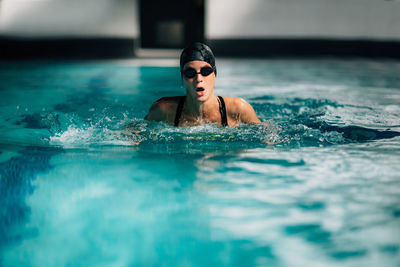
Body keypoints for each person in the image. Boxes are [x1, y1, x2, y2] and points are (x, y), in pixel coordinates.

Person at [145, 42, 261, 127]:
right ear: (182, 78)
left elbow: (267, 137)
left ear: (214, 75)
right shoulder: (164, 111)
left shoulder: (238, 109)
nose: (198, 79)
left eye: (205, 72)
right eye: (190, 73)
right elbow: (135, 131)